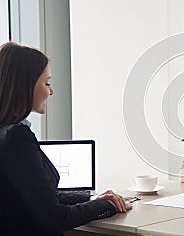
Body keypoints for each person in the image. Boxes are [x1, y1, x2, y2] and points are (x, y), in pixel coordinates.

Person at [0, 42, 131, 236]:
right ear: (25, 85)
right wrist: (106, 205)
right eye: (47, 83)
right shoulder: (17, 138)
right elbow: (55, 217)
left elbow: (39, 196)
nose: (51, 91)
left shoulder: (6, 132)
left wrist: (90, 199)